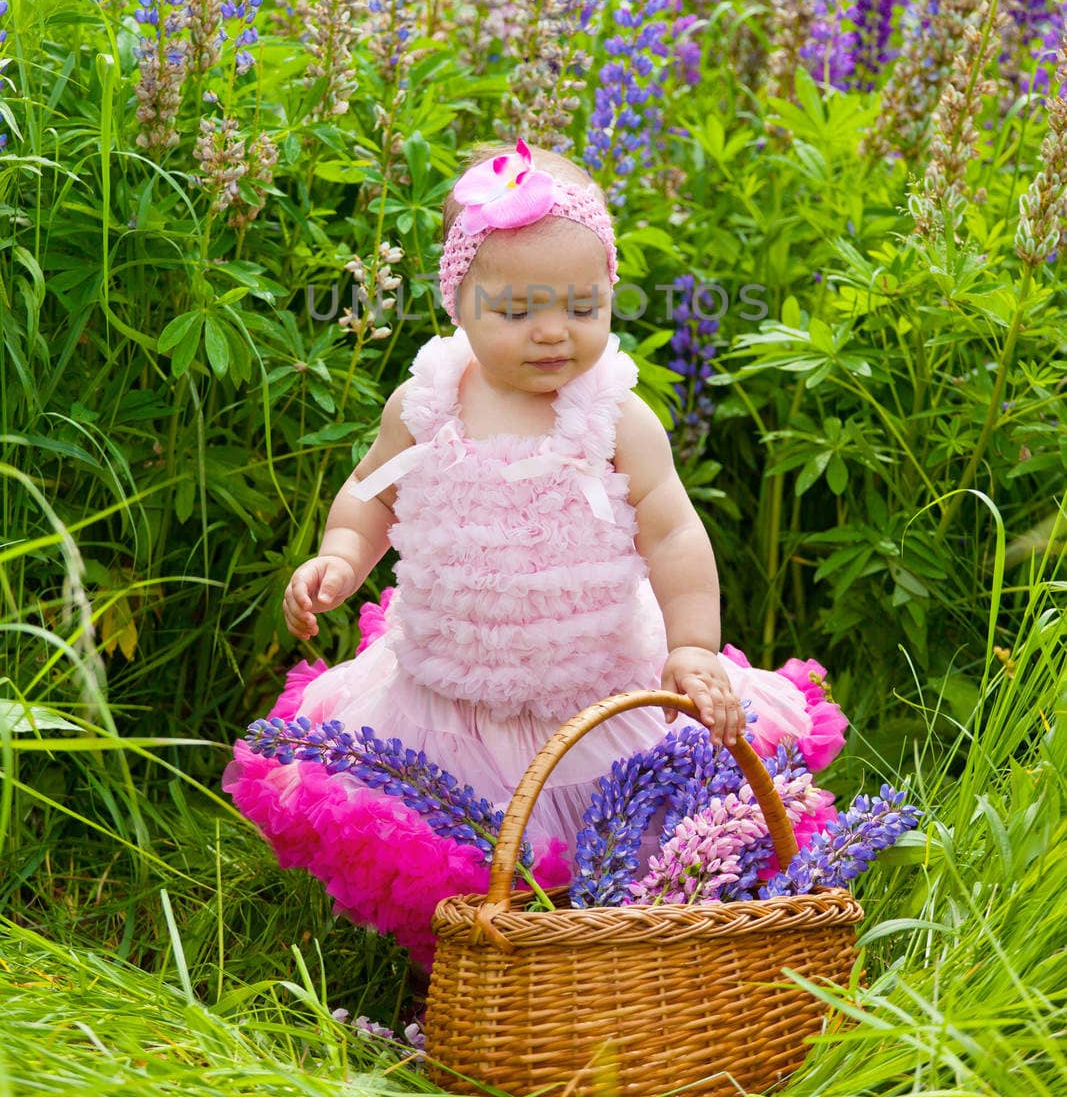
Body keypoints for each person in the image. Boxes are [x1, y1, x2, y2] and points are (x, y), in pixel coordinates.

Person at [223, 137, 817, 969]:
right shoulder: (428, 403)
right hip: (447, 692)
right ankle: (470, 970)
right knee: (450, 851)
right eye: (517, 311)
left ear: (610, 292)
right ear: (458, 305)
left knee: (611, 839)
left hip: (594, 681)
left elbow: (674, 530)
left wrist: (690, 646)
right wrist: (340, 557)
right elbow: (372, 493)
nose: (553, 334)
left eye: (581, 308)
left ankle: (586, 957)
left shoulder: (615, 417)